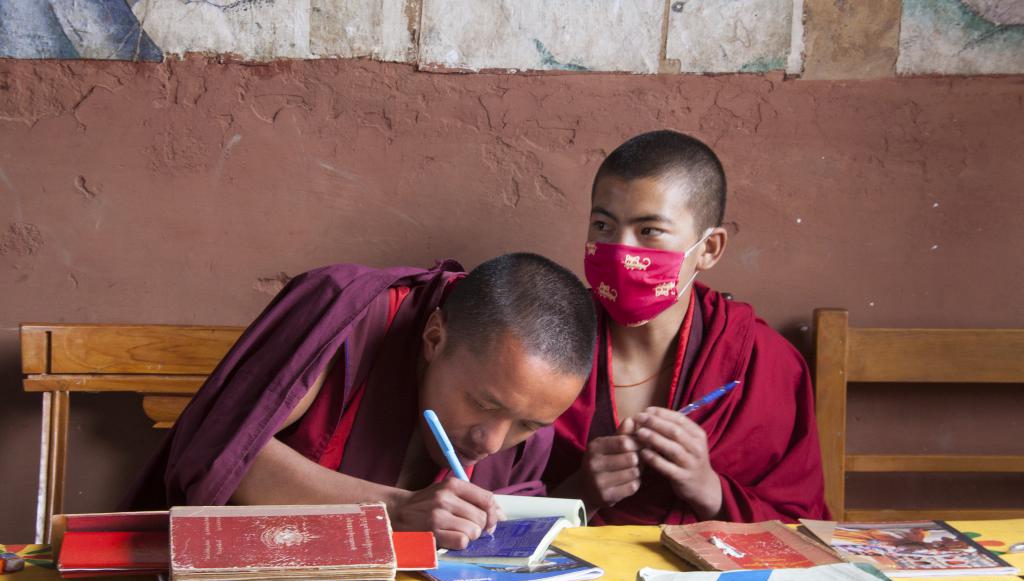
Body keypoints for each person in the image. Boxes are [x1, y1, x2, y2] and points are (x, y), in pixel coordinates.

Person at [125, 254, 596, 548]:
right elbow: (225, 457)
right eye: (485, 404)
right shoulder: (343, 313)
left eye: (528, 426)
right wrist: (395, 510)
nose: (493, 442)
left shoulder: (528, 408)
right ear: (434, 337)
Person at [544, 130, 829, 525]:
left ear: (708, 249)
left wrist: (709, 489)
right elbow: (490, 506)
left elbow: (805, 527)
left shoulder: (763, 361)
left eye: (649, 231)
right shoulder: (546, 343)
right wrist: (581, 493)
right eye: (603, 226)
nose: (622, 251)